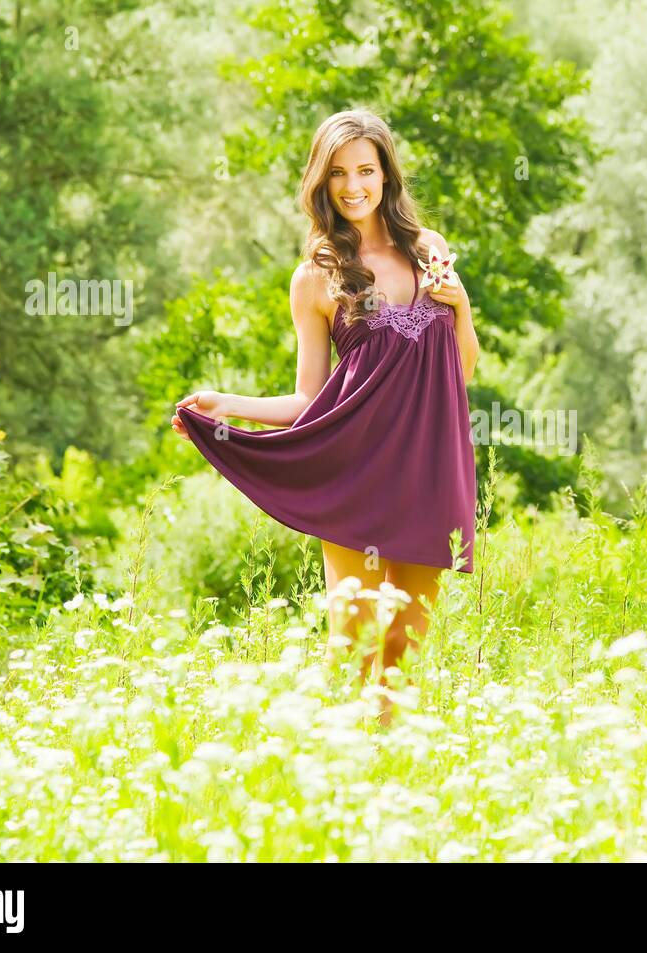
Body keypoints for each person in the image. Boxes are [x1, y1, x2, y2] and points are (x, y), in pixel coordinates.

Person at [172, 109, 480, 725]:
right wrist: (226, 405)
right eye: (338, 173)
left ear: (387, 176)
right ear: (322, 181)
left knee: (403, 650)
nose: (353, 185)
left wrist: (462, 306)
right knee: (356, 641)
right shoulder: (315, 278)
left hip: (428, 474)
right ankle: (347, 770)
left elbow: (461, 371)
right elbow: (309, 401)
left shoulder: (429, 253)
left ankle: (392, 775)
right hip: (356, 479)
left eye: (366, 170)